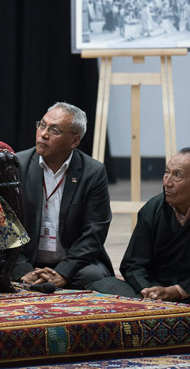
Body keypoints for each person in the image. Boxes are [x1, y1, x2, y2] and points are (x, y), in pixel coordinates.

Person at [90, 148, 190, 332]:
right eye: (167, 172)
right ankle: (179, 315)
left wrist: (178, 291)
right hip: (156, 288)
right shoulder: (153, 208)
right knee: (102, 284)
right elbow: (132, 264)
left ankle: (162, 315)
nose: (167, 182)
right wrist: (150, 290)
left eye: (177, 175)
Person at [12, 103, 114, 290]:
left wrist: (65, 272)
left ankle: (48, 283)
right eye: (42, 125)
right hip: (28, 260)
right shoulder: (17, 165)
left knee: (93, 275)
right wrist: (23, 269)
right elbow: (6, 223)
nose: (43, 134)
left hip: (71, 263)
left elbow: (95, 231)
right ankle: (32, 279)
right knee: (7, 268)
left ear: (75, 140)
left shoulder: (93, 172)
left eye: (55, 130)